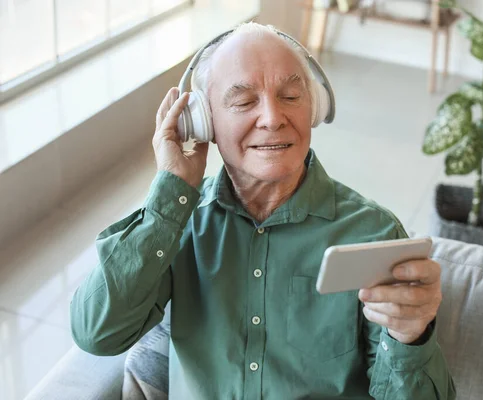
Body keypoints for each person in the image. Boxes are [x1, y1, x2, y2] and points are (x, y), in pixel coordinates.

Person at [70, 22, 456, 399]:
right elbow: (97, 333)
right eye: (243, 102)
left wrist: (411, 335)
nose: (273, 118)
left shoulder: (373, 234)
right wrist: (170, 191)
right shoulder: (178, 224)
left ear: (315, 108)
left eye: (291, 96)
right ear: (203, 123)